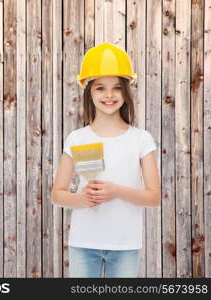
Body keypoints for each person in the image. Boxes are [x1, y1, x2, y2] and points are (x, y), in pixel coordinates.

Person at [51, 42, 161, 278]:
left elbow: (153, 197)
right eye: (100, 88)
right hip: (83, 243)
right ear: (89, 92)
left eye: (117, 88)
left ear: (126, 92)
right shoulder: (78, 138)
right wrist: (83, 199)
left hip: (125, 246)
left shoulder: (141, 139)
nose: (109, 95)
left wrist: (116, 191)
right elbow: (57, 194)